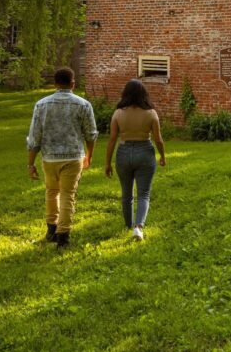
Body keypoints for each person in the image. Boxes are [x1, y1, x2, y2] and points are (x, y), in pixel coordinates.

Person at [26, 67, 97, 250]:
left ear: (55, 84)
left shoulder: (41, 105)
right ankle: (63, 237)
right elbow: (91, 134)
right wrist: (89, 155)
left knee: (51, 192)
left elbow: (35, 137)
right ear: (73, 83)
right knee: (67, 195)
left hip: (49, 158)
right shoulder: (83, 105)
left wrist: (30, 163)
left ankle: (51, 230)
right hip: (73, 157)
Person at [104, 79, 166, 241]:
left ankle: (128, 225)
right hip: (145, 152)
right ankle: (138, 227)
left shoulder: (118, 113)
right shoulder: (151, 113)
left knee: (126, 194)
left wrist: (107, 163)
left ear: (125, 94)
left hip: (123, 153)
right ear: (143, 94)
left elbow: (111, 140)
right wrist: (162, 156)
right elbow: (158, 139)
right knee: (144, 193)